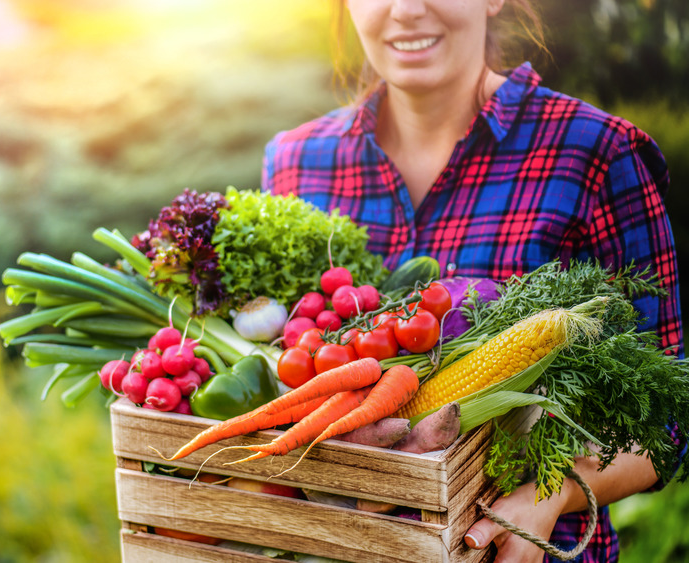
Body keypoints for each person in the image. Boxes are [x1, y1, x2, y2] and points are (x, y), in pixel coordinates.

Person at [261, 0, 684, 561]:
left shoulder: (595, 154)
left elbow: (667, 419)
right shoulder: (297, 161)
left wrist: (548, 495)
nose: (406, 10)